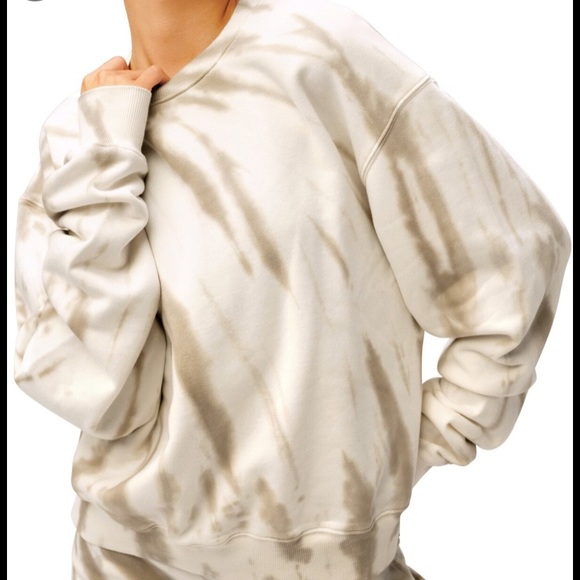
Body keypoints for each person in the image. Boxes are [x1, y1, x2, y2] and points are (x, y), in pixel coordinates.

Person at [12, 0, 571, 578]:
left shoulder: (323, 58)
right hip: (118, 561)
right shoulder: (82, 137)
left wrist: (411, 450)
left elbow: (512, 259)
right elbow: (85, 386)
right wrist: (107, 153)